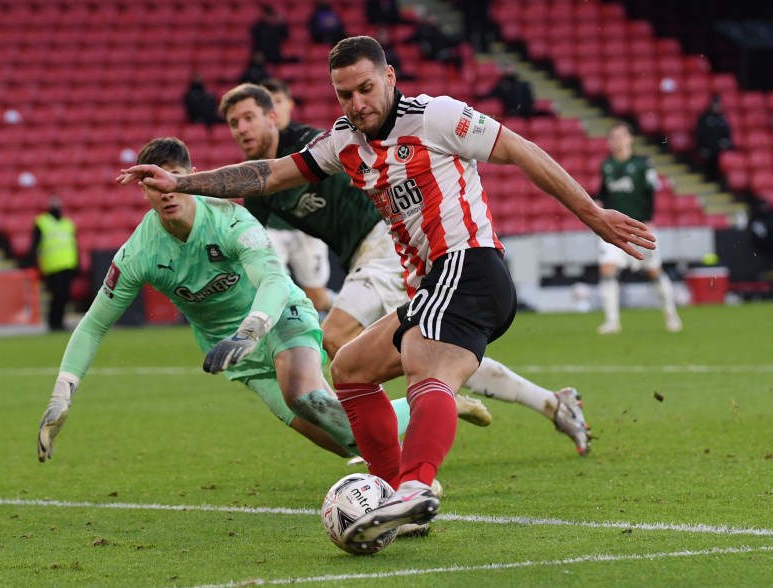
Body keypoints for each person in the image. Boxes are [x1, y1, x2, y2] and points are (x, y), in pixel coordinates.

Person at [118, 36, 654, 551]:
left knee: (426, 364)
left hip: (470, 266)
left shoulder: (437, 116)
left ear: (389, 78)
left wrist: (594, 215)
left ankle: (416, 489)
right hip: (431, 284)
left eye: (365, 88)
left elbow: (520, 149)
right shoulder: (343, 141)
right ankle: (389, 495)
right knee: (348, 366)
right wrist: (182, 182)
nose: (356, 103)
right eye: (344, 94)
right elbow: (270, 175)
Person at [222, 81, 593, 453]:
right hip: (368, 259)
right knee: (444, 351)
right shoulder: (262, 191)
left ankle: (383, 437)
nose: (242, 128)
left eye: (249, 117)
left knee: (337, 336)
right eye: (234, 122)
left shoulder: (307, 144)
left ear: (273, 117)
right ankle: (552, 404)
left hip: (383, 243)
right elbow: (255, 239)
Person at [38, 137, 406, 464]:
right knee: (344, 440)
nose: (167, 191)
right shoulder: (139, 254)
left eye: (175, 178)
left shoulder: (230, 220)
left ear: (192, 177)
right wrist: (62, 393)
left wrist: (251, 330)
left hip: (277, 317)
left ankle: (408, 479)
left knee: (304, 397)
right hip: (231, 353)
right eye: (153, 183)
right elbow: (94, 324)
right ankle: (426, 406)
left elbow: (274, 280)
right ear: (143, 191)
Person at [595, 122, 682, 335]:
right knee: (606, 268)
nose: (618, 141)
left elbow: (650, 193)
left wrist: (649, 220)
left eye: (622, 136)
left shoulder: (643, 164)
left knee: (653, 271)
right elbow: (604, 193)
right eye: (614, 137)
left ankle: (670, 313)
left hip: (639, 226)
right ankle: (612, 321)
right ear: (609, 141)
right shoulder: (606, 165)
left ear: (630, 138)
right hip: (614, 229)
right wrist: (598, 205)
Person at [260, 78, 336, 315]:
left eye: (277, 101)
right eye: (267, 104)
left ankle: (348, 311)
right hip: (273, 230)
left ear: (289, 104)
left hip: (307, 229)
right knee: (272, 289)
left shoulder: (307, 139)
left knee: (316, 297)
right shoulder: (258, 144)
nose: (273, 108)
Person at [30, 195, 78, 332]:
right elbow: (35, 245)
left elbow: (74, 245)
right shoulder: (42, 222)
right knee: (56, 295)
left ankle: (60, 322)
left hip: (68, 264)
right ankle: (53, 323)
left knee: (64, 296)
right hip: (52, 266)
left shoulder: (68, 223)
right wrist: (34, 263)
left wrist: (77, 263)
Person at [477, 63, 549, 118]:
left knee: (546, 115)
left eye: (511, 67)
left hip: (527, 111)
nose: (510, 69)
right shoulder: (501, 85)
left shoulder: (523, 84)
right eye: (507, 67)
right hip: (512, 113)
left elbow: (530, 99)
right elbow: (490, 94)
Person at [694, 94, 733, 182]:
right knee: (709, 155)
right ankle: (709, 179)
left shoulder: (723, 119)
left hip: (719, 148)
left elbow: (727, 135)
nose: (718, 107)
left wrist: (726, 143)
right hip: (707, 148)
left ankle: (722, 181)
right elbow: (700, 135)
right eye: (716, 104)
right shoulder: (704, 118)